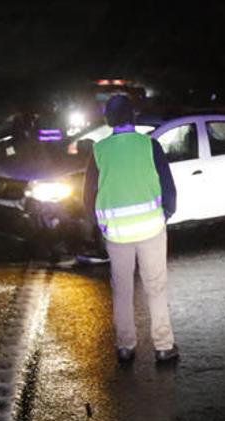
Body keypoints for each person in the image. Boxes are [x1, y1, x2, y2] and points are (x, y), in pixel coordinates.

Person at [83, 94, 178, 364]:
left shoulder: (99, 151)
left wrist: (100, 225)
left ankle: (125, 346)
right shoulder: (150, 145)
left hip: (116, 234)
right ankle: (163, 346)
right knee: (156, 287)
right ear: (133, 116)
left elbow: (87, 197)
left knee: (122, 290)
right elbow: (168, 188)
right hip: (151, 228)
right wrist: (165, 214)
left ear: (109, 119)